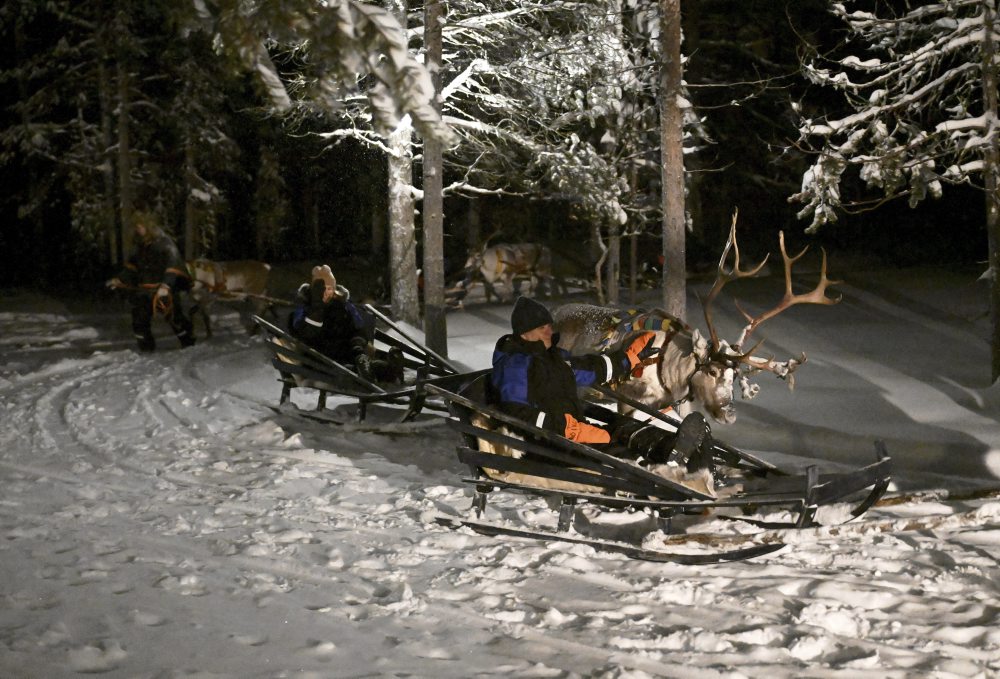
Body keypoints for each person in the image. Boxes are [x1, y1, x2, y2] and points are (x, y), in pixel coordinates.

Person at [491, 296, 713, 471]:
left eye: (549, 325)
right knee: (617, 449)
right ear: (525, 333)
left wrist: (628, 359)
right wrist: (562, 427)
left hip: (574, 432)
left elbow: (591, 368)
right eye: (543, 328)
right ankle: (660, 467)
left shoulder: (554, 358)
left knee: (626, 431)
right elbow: (514, 411)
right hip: (550, 442)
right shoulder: (515, 365)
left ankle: (676, 452)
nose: (550, 331)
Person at [288, 265, 404, 384]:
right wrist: (318, 307)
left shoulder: (341, 306)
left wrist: (357, 347)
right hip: (319, 361)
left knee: (372, 366)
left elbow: (357, 328)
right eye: (322, 289)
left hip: (346, 356)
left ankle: (389, 370)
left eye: (329, 288)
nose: (326, 293)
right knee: (351, 372)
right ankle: (371, 371)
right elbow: (305, 333)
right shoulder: (303, 308)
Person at [107, 211, 195, 352]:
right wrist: (119, 279)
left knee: (175, 320)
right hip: (144, 290)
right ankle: (147, 350)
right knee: (139, 322)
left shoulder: (164, 243)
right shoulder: (140, 246)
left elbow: (173, 264)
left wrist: (166, 285)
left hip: (163, 289)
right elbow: (132, 267)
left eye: (141, 225)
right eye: (137, 226)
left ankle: (189, 344)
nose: (138, 229)